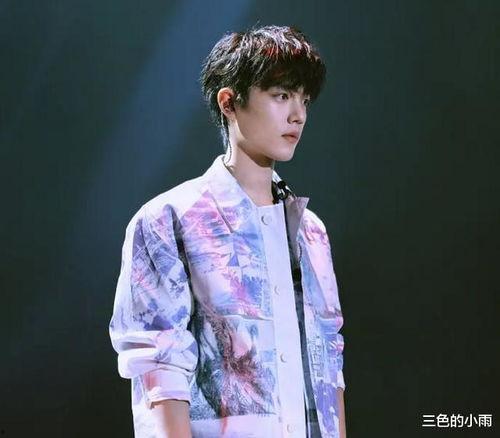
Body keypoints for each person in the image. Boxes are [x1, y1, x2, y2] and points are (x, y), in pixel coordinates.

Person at [110, 24, 346, 438]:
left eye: (304, 100)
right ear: (229, 102)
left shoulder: (311, 232)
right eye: (281, 95)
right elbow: (160, 367)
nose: (298, 114)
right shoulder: (168, 220)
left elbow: (329, 363)